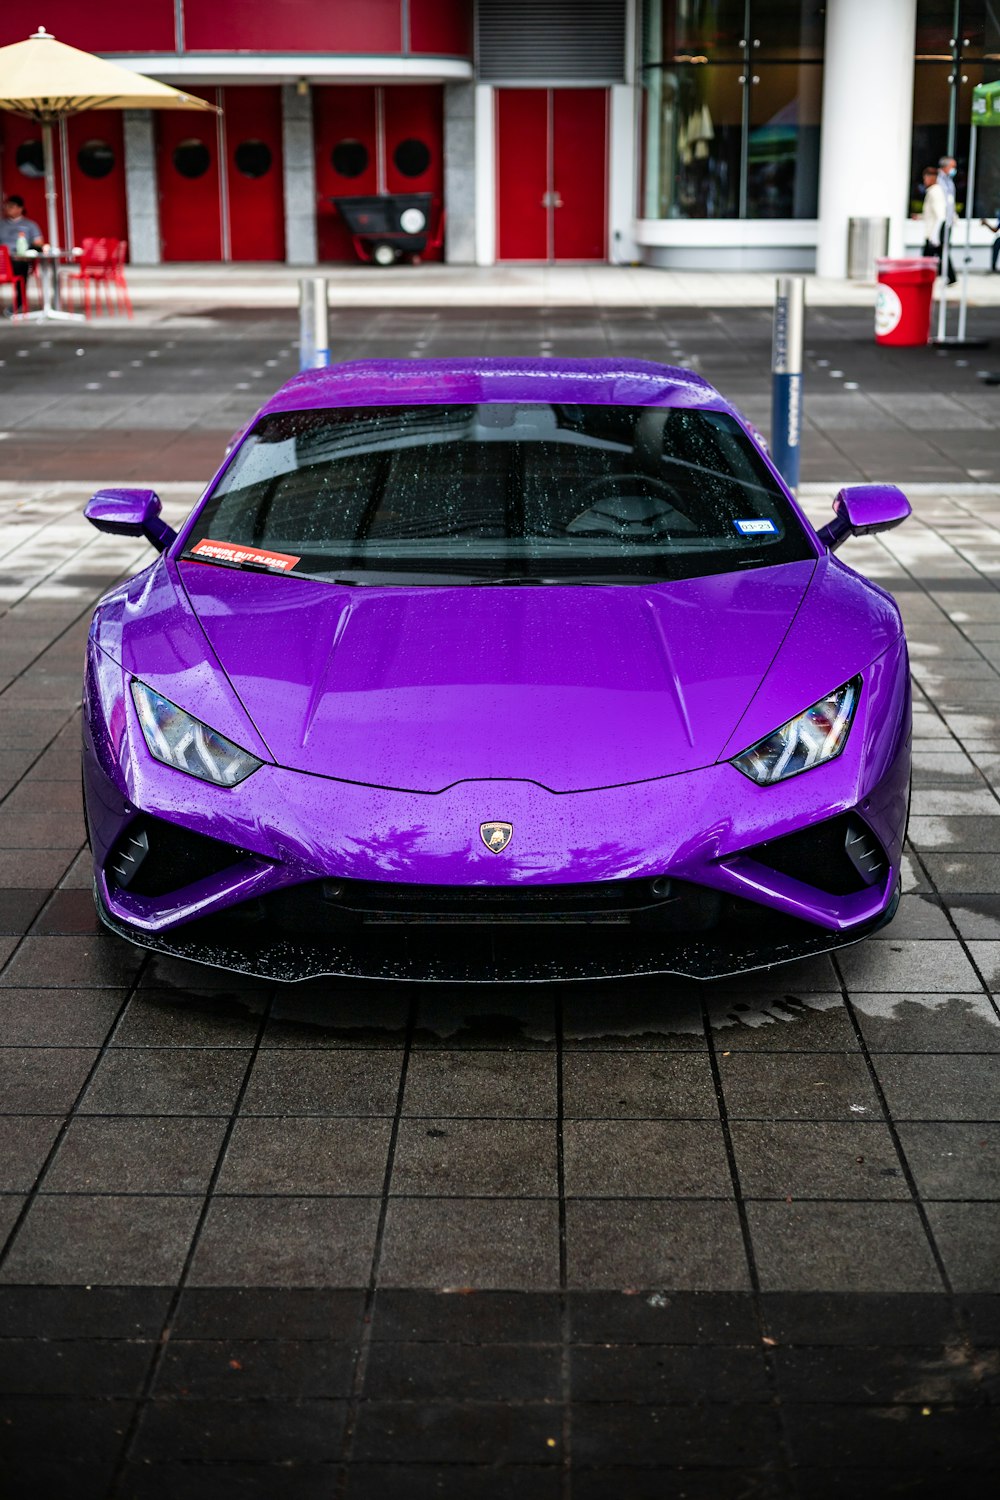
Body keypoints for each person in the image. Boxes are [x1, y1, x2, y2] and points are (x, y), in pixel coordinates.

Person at [0, 195, 43, 313]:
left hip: (20, 260)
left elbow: (39, 243)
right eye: (6, 206)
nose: (7, 209)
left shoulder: (30, 225)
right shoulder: (1, 224)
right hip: (2, 260)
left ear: (20, 208)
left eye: (11, 206)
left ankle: (19, 303)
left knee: (21, 265)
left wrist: (29, 249)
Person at [937, 156, 958, 284]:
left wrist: (953, 215)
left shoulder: (949, 181)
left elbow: (951, 201)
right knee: (940, 248)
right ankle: (950, 276)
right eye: (952, 167)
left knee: (943, 248)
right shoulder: (938, 180)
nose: (954, 169)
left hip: (948, 221)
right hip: (941, 220)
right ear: (945, 167)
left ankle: (947, 275)